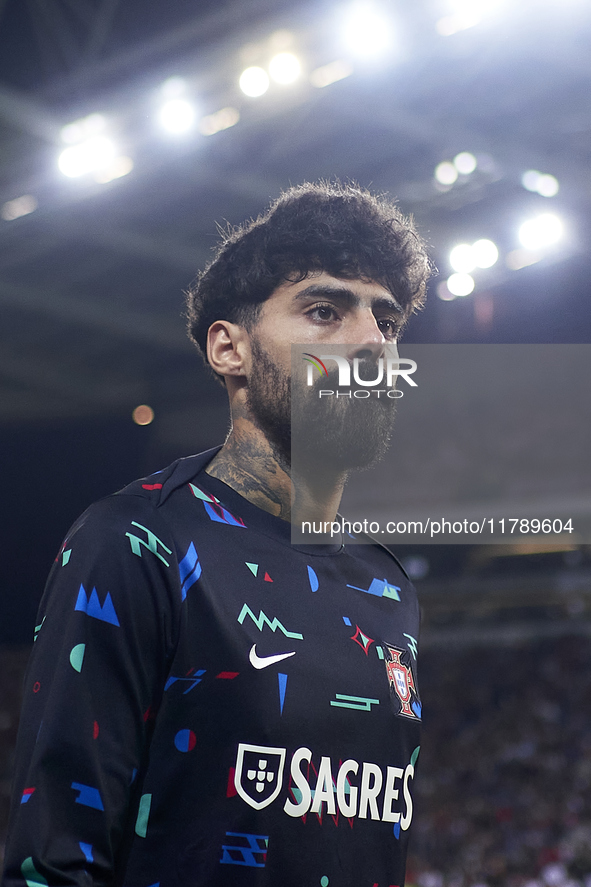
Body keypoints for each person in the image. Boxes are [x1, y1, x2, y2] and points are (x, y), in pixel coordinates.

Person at [2, 181, 432, 887]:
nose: (366, 343)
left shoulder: (387, 587)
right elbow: (54, 863)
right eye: (324, 310)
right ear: (228, 349)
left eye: (385, 323)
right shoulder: (139, 542)